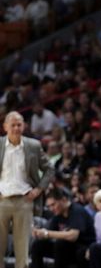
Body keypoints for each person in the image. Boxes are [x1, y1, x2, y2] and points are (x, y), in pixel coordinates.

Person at [0, 112, 55, 268]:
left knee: (22, 250)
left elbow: (49, 169)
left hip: (24, 201)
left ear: (24, 126)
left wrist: (38, 189)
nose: (16, 128)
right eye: (13, 125)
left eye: (19, 124)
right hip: (1, 200)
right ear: (5, 127)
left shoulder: (33, 145)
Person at [30, 188, 95, 268]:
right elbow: (49, 231)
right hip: (66, 248)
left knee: (60, 243)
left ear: (64, 200)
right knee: (38, 245)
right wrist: (39, 232)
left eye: (53, 205)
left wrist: (47, 234)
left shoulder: (77, 211)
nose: (51, 209)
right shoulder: (58, 214)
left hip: (82, 248)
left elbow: (73, 236)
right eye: (49, 206)